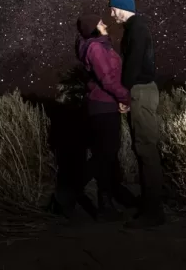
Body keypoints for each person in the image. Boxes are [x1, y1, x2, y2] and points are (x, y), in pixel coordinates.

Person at [109, 0, 166, 228]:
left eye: (112, 9)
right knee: (143, 147)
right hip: (141, 89)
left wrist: (124, 93)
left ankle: (153, 212)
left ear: (121, 8)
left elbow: (132, 63)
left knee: (145, 149)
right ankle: (150, 203)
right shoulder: (135, 27)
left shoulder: (136, 28)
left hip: (140, 90)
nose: (111, 14)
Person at [75, 12, 132, 221]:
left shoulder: (101, 45)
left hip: (106, 105)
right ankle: (68, 193)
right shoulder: (95, 48)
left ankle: (105, 204)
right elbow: (108, 79)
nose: (104, 23)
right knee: (103, 156)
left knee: (106, 157)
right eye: (99, 22)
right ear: (93, 28)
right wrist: (126, 98)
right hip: (102, 107)